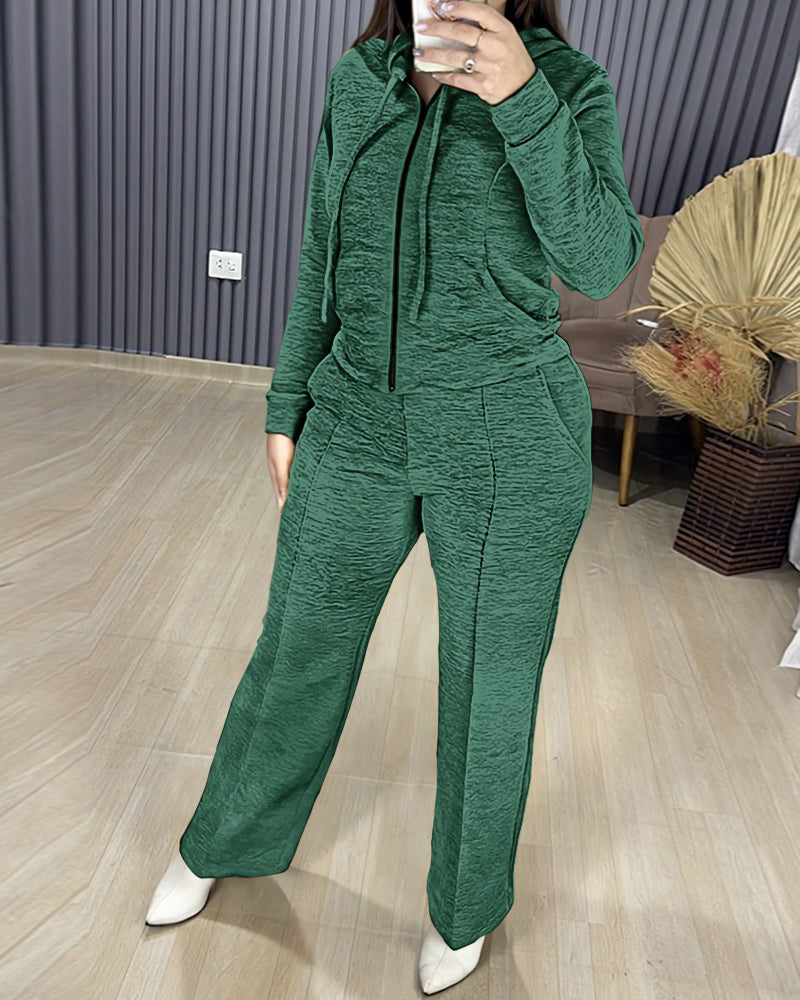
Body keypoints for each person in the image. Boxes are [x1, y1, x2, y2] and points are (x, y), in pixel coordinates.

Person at [145, 0, 644, 993]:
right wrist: (286, 401)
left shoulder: (567, 85)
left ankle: (465, 908)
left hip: (506, 435)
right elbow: (319, 253)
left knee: (488, 686)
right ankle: (223, 841)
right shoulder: (358, 80)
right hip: (355, 423)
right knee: (295, 650)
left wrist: (522, 98)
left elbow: (599, 262)